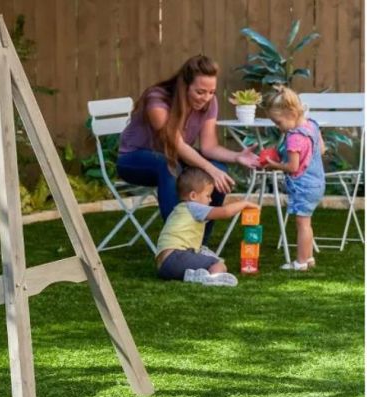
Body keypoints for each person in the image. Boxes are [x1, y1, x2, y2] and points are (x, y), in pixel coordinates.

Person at [117, 55, 260, 248]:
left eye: (211, 92)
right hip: (133, 160)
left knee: (218, 170)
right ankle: (175, 245)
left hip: (174, 158)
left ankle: (199, 243)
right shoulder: (157, 100)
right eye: (200, 92)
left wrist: (237, 156)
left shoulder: (210, 103)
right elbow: (177, 145)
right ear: (184, 85)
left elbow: (209, 147)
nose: (207, 98)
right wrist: (210, 169)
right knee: (168, 165)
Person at [157, 167, 259, 286]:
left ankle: (194, 275)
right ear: (193, 196)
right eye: (207, 196)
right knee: (218, 264)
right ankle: (213, 278)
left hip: (163, 266)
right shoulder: (194, 207)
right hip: (177, 257)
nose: (210, 200)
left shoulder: (178, 209)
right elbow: (224, 212)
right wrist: (244, 203)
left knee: (204, 254)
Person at [261, 86, 326, 271]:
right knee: (307, 222)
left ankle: (301, 262)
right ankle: (309, 258)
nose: (278, 127)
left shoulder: (294, 138)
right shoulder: (312, 125)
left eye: (278, 122)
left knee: (302, 224)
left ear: (291, 112)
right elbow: (321, 149)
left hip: (303, 186)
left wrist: (273, 164)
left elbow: (292, 167)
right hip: (317, 182)